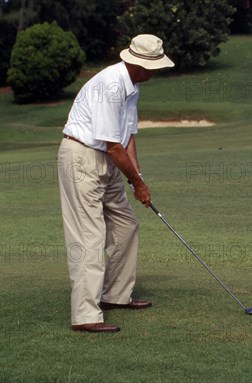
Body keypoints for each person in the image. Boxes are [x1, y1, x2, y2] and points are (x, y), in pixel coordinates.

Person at [57, 34, 174, 333]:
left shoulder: (131, 87)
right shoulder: (110, 86)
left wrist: (139, 180)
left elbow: (128, 138)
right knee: (89, 238)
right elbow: (113, 146)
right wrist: (135, 182)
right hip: (82, 158)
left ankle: (116, 295)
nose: (156, 71)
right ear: (139, 64)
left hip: (107, 161)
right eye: (154, 66)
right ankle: (85, 315)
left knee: (126, 226)